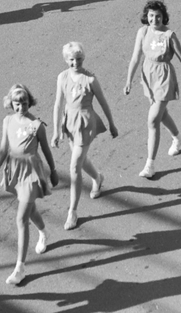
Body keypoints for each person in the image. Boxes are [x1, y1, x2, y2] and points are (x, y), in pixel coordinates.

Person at [0, 84, 58, 286]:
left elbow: (46, 150)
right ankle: (43, 231)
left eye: (24, 103)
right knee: (30, 208)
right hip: (15, 170)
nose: (21, 107)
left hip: (32, 173)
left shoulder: (37, 125)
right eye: (17, 104)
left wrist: (53, 171)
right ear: (11, 104)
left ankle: (20, 268)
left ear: (29, 102)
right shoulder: (7, 121)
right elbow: (2, 149)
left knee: (20, 218)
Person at [123, 0, 181, 177]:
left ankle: (150, 165)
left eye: (158, 16)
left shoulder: (169, 35)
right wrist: (128, 81)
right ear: (146, 17)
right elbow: (135, 58)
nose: (154, 19)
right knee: (161, 114)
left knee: (153, 120)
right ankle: (178, 137)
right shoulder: (142, 32)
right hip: (148, 75)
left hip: (164, 77)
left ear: (163, 17)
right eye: (151, 16)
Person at [51, 41, 117, 230]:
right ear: (66, 60)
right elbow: (57, 104)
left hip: (85, 123)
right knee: (80, 160)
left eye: (79, 59)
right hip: (70, 122)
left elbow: (103, 103)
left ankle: (72, 211)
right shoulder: (62, 77)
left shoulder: (90, 80)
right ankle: (97, 177)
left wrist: (111, 124)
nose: (75, 63)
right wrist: (56, 130)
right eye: (71, 60)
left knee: (74, 167)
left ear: (83, 58)